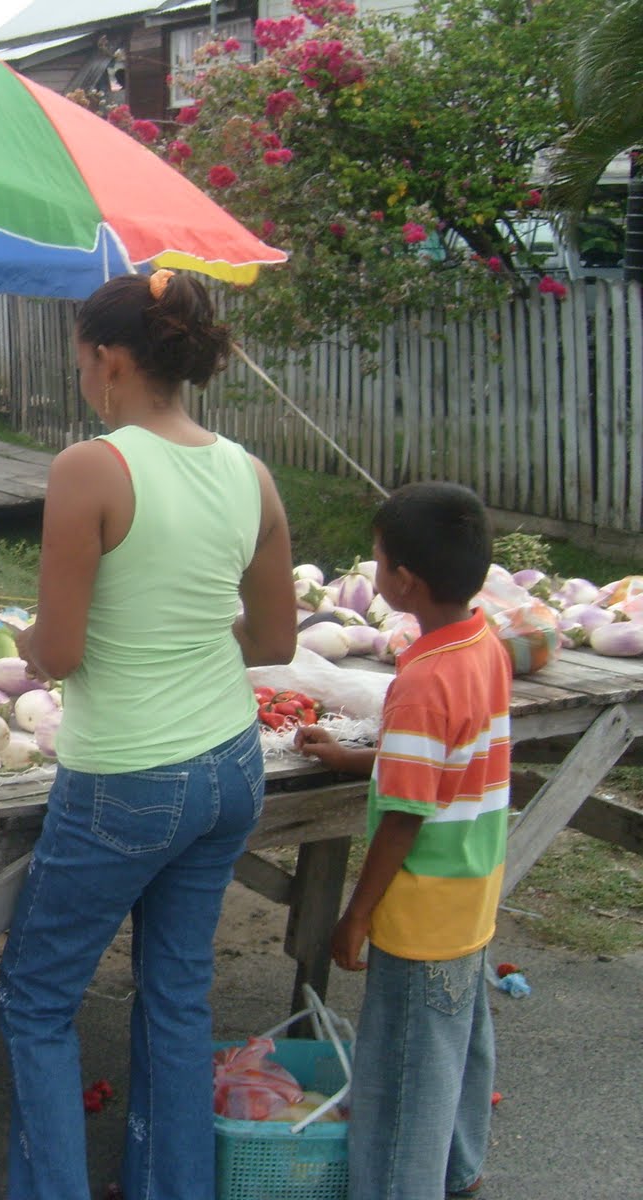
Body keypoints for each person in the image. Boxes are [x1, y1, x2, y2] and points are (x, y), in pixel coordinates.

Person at [0, 268, 297, 1200]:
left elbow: (59, 652)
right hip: (230, 763)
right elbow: (277, 642)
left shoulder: (94, 465)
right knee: (176, 995)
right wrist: (186, 631)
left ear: (109, 358)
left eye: (82, 357)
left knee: (37, 999)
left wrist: (21, 640)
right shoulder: (248, 471)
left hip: (127, 774)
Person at [296, 482, 508, 1200]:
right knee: (460, 1045)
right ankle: (459, 1170)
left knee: (405, 1070)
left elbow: (407, 813)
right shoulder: (483, 647)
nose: (374, 571)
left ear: (404, 581)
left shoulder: (424, 679)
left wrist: (358, 913)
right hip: (472, 894)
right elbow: (441, 762)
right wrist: (351, 757)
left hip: (421, 910)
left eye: (379, 560)